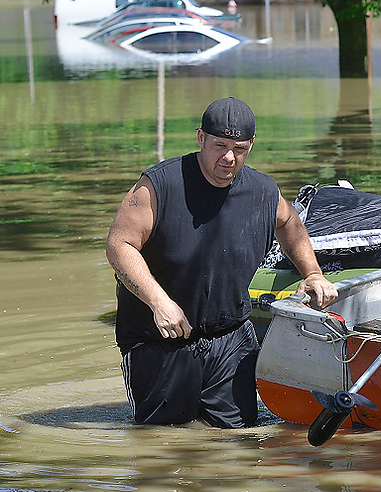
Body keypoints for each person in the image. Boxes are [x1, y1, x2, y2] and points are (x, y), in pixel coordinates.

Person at [106, 96, 338, 428]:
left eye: (239, 148)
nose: (228, 157)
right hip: (159, 338)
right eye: (219, 145)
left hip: (230, 337)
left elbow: (290, 224)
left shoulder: (262, 191)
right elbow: (119, 245)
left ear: (251, 145)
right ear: (201, 138)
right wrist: (159, 303)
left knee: (238, 443)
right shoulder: (160, 186)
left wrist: (312, 273)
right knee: (162, 444)